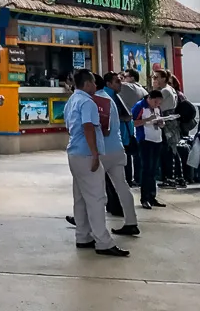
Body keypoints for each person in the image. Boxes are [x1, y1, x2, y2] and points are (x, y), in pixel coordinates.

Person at [64, 69, 128, 257]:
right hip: (86, 155)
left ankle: (83, 236)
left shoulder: (72, 101)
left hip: (74, 153)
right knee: (96, 198)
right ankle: (103, 241)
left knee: (81, 197)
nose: (95, 85)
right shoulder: (87, 102)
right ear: (87, 84)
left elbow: (70, 127)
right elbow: (88, 127)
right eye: (93, 82)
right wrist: (94, 154)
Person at [95, 74, 139, 236]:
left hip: (104, 151)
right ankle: (131, 221)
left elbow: (101, 128)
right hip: (118, 147)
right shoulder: (112, 98)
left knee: (92, 188)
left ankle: (84, 222)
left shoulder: (99, 100)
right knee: (122, 186)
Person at [132, 89, 166, 210]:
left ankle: (152, 196)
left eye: (159, 103)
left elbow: (159, 121)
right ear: (149, 99)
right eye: (156, 102)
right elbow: (133, 123)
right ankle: (145, 198)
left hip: (157, 139)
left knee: (154, 169)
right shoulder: (140, 106)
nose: (157, 104)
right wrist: (147, 120)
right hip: (145, 141)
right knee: (146, 169)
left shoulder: (157, 108)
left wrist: (161, 123)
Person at [152, 70, 183, 187]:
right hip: (171, 121)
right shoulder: (171, 89)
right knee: (173, 150)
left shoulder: (165, 90)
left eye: (157, 77)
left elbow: (154, 103)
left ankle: (170, 178)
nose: (155, 80)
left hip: (167, 121)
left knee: (168, 151)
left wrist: (154, 88)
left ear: (164, 78)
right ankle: (178, 177)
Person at [117, 69, 146, 186]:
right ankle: (138, 178)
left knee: (128, 152)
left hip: (129, 123)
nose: (122, 79)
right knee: (138, 154)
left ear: (132, 78)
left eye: (124, 76)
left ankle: (128, 178)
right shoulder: (142, 89)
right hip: (140, 125)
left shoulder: (128, 87)